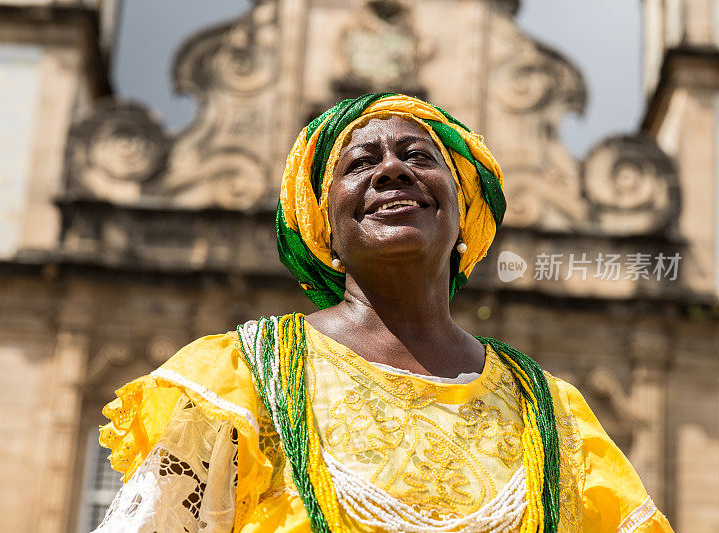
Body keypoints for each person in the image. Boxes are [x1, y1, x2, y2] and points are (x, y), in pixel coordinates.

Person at [93, 94, 673, 532]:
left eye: (419, 156)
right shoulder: (241, 379)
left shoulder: (553, 412)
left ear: (463, 210)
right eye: (359, 163)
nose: (392, 170)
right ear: (325, 230)